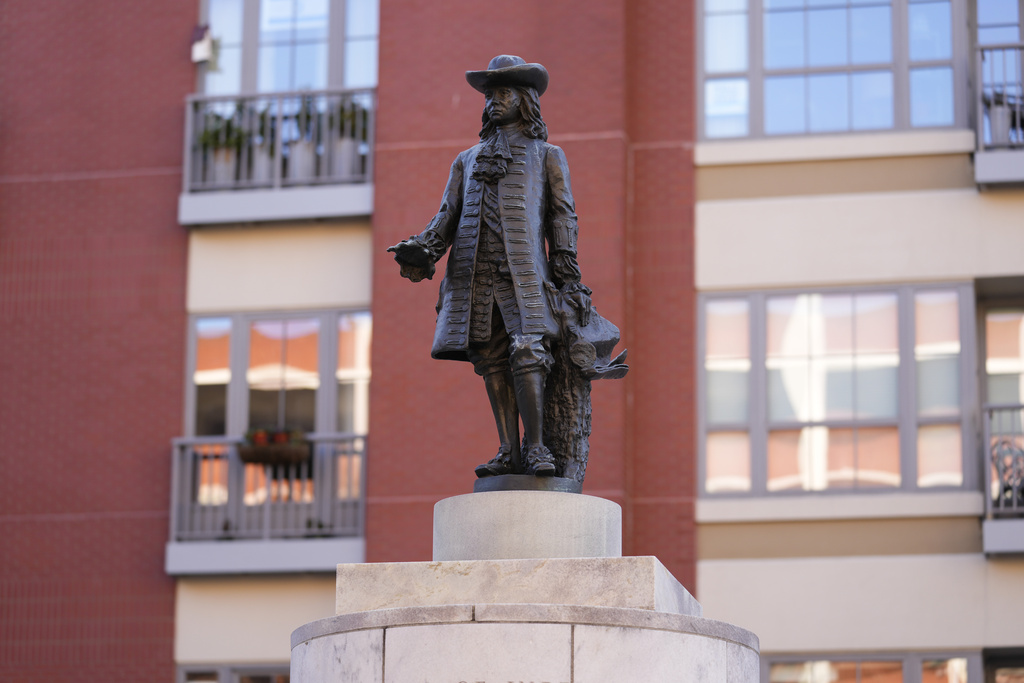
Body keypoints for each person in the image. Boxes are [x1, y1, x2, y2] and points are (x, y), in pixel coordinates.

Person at [388, 55, 593, 478]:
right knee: (491, 360)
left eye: (503, 93)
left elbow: (562, 216)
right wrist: (422, 249)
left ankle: (536, 447)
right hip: (474, 273)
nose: (493, 102)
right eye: (490, 95)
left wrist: (568, 274)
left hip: (524, 273)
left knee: (528, 351)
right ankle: (507, 450)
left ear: (525, 100)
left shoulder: (547, 155)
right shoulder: (466, 160)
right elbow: (446, 216)